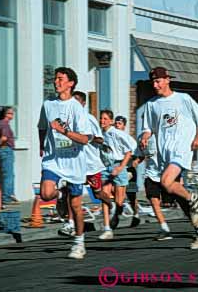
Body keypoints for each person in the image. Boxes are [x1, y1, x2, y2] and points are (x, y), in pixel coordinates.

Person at [140, 66, 198, 249]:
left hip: (182, 149)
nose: (155, 85)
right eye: (153, 82)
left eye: (158, 81)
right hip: (165, 154)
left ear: (167, 80)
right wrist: (145, 136)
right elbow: (148, 128)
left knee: (166, 182)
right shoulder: (151, 105)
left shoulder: (183, 99)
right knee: (177, 195)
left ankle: (193, 197)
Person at [38, 67, 91, 259]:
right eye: (55, 79)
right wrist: (40, 145)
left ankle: (79, 242)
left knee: (76, 206)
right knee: (45, 193)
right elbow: (42, 126)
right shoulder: (48, 104)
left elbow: (85, 139)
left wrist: (63, 132)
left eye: (61, 79)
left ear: (71, 83)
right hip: (53, 159)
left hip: (74, 161)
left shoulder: (77, 108)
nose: (56, 82)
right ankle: (61, 194)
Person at [56, 91, 109, 237]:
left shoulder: (89, 119)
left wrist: (86, 138)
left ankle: (111, 204)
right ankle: (70, 224)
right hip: (76, 162)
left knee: (98, 193)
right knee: (70, 191)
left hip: (91, 163)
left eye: (78, 101)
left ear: (84, 104)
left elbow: (100, 139)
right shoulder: (68, 119)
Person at [98, 110, 134, 240]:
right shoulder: (99, 134)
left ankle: (117, 213)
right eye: (101, 118)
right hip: (105, 167)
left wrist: (120, 167)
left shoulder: (117, 133)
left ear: (111, 121)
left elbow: (129, 150)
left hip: (118, 165)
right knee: (104, 195)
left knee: (119, 201)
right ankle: (107, 228)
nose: (102, 121)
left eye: (105, 119)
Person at [114, 115, 140, 227]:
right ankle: (116, 214)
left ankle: (136, 214)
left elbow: (139, 154)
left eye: (119, 123)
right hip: (116, 169)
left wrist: (136, 161)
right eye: (116, 123)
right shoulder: (112, 137)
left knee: (132, 196)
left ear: (124, 126)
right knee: (117, 190)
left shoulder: (129, 139)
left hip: (129, 170)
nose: (117, 125)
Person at [0, 107, 18, 205]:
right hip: (5, 149)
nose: (12, 115)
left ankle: (9, 195)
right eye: (10, 113)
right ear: (6, 114)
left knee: (7, 174)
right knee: (8, 175)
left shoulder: (1, 124)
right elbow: (4, 138)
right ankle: (7, 197)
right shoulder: (4, 124)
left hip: (3, 150)